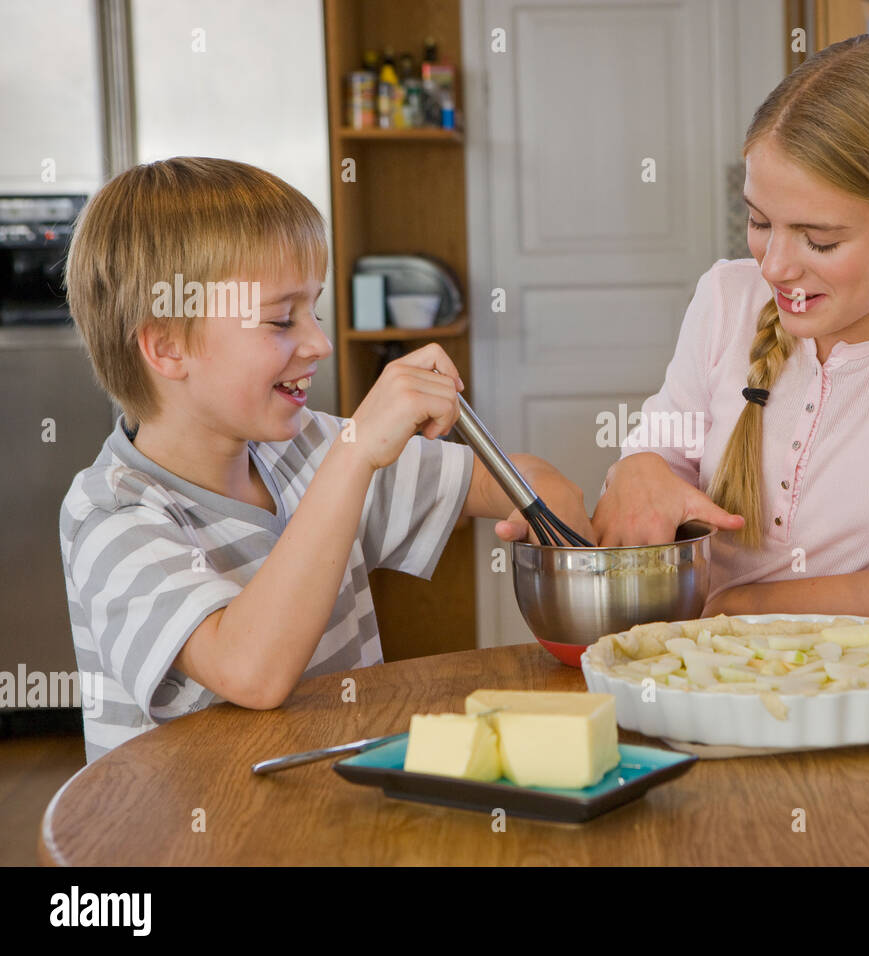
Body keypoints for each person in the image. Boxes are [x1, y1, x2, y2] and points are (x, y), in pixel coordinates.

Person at [59, 157, 591, 763]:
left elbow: (532, 484)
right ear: (168, 345)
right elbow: (250, 670)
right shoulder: (111, 514)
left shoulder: (304, 447)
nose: (320, 343)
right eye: (281, 320)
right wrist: (355, 454)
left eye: (315, 309)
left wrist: (551, 514)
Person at [592, 33, 869, 632]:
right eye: (758, 221)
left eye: (819, 239)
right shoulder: (727, 297)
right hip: (711, 682)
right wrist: (640, 466)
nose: (774, 265)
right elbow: (663, 458)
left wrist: (736, 609)